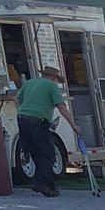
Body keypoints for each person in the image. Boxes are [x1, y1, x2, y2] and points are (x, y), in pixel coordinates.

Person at [14, 64, 75, 196]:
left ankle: (49, 187)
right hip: (38, 121)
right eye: (57, 80)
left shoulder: (30, 83)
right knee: (49, 155)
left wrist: (20, 110)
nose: (57, 83)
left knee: (36, 153)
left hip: (22, 119)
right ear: (54, 78)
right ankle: (39, 183)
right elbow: (62, 107)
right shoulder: (51, 86)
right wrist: (73, 125)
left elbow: (16, 98)